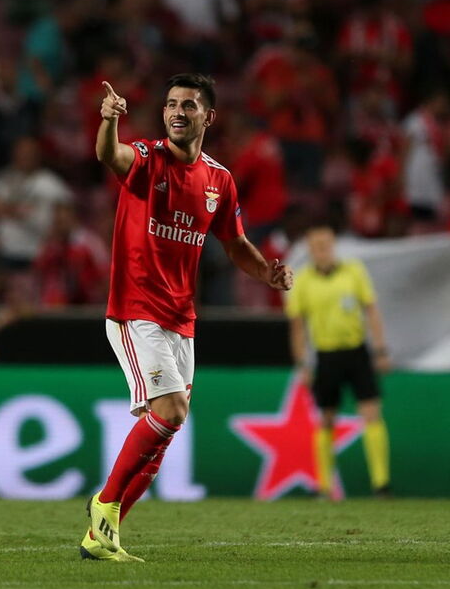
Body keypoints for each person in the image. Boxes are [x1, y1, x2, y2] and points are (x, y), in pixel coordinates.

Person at [84, 73, 293, 562]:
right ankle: (105, 502)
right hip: (136, 311)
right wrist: (108, 122)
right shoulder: (145, 157)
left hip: (182, 319)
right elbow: (108, 156)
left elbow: (235, 242)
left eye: (189, 105)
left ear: (208, 117)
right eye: (171, 104)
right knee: (171, 410)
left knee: (162, 438)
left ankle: (101, 537)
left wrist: (265, 272)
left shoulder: (219, 180)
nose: (178, 112)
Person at [285, 223, 391, 499]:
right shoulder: (303, 280)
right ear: (309, 250)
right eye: (316, 247)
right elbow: (298, 327)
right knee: (326, 418)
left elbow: (371, 310)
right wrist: (302, 364)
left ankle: (381, 484)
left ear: (333, 246)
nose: (322, 251)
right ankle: (325, 486)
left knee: (371, 413)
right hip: (326, 356)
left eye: (326, 245)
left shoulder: (353, 271)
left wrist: (380, 350)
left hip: (356, 352)